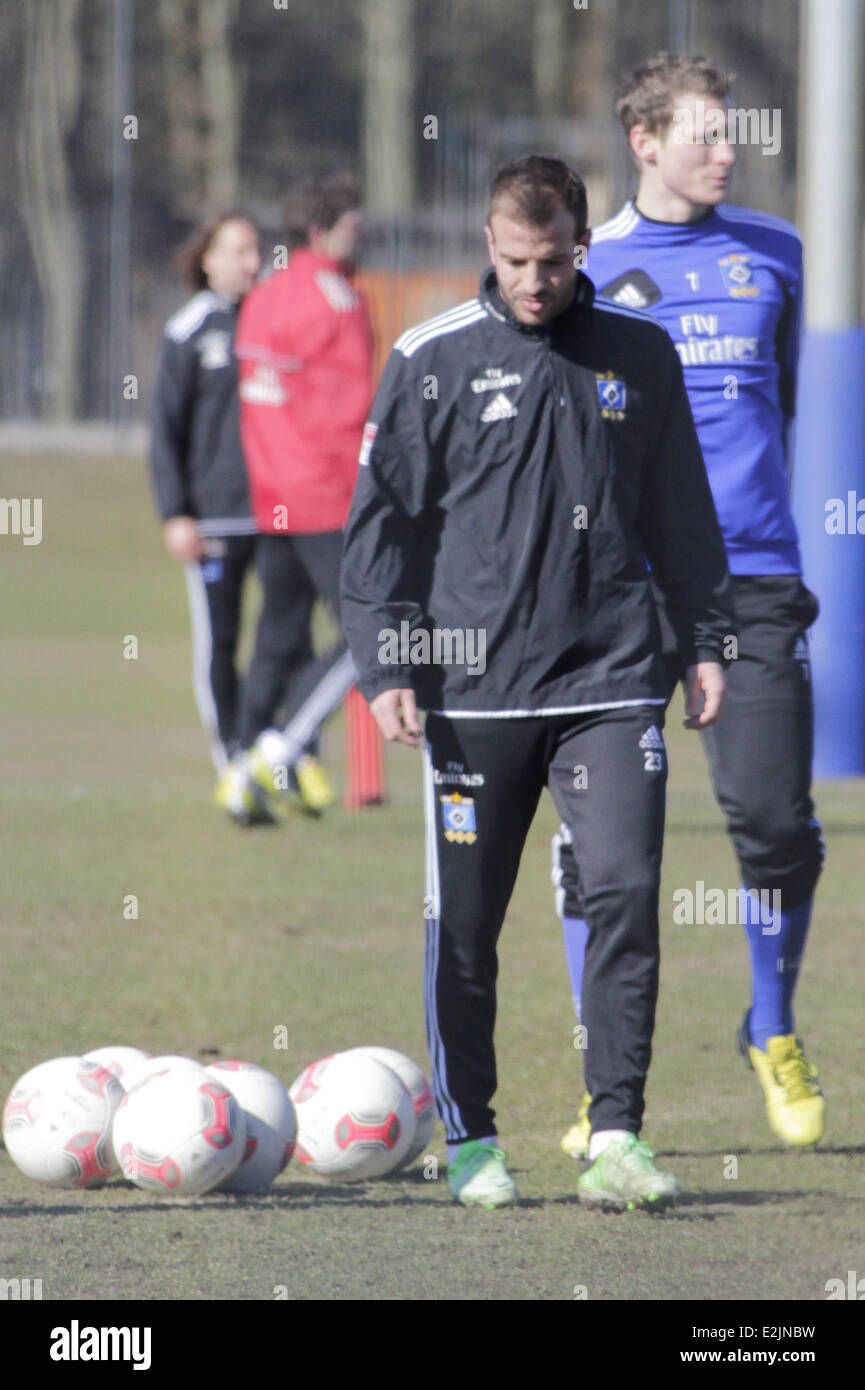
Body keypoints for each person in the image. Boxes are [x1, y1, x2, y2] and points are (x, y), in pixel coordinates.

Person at [340, 155, 735, 1209]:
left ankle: (615, 1136)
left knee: (623, 893)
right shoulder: (431, 359)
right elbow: (382, 529)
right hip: (472, 694)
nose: (532, 281)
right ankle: (471, 1137)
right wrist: (389, 662)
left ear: (580, 249)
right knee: (465, 929)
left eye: (552, 261)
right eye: (514, 261)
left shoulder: (639, 356)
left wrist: (705, 641)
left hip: (608, 680)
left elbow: (681, 512)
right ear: (488, 246)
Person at [555, 54, 825, 1163]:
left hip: (752, 580)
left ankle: (769, 1024)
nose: (726, 151)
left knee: (770, 822)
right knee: (604, 850)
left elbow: (787, 397)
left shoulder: (779, 252)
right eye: (704, 134)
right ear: (645, 140)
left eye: (731, 135)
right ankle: (602, 1087)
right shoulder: (592, 268)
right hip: (620, 586)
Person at [226, 175, 375, 822]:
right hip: (327, 495)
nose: (359, 241)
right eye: (351, 229)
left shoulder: (261, 296)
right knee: (373, 635)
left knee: (276, 635)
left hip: (271, 494)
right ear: (320, 233)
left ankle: (237, 767)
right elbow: (353, 411)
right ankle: (281, 746)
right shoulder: (338, 299)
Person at [149, 213, 262, 799]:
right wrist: (176, 513)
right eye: (238, 250)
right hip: (214, 519)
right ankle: (233, 763)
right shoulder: (188, 329)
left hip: (276, 517)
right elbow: (164, 432)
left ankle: (279, 749)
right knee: (221, 641)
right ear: (208, 259)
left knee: (284, 637)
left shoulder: (272, 320)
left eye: (256, 250)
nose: (252, 262)